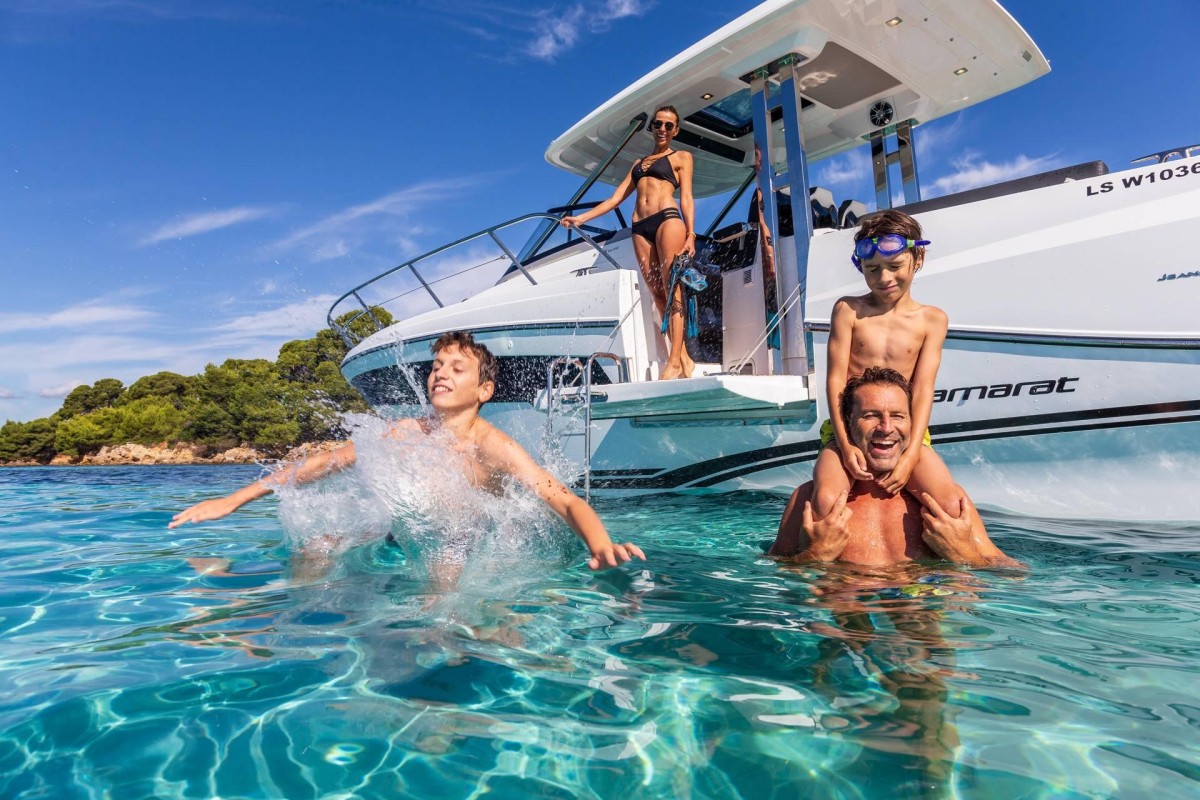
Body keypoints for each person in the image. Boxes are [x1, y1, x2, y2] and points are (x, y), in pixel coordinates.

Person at [170, 331, 645, 572]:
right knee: (317, 547)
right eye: (437, 366)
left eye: (457, 368)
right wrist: (233, 499)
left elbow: (560, 498)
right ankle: (294, 632)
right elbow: (323, 463)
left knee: (444, 577)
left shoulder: (494, 447)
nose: (441, 373)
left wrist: (600, 545)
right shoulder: (407, 431)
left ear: (484, 390)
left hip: (465, 538)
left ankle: (443, 684)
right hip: (405, 530)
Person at [810, 209, 980, 538]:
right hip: (848, 430)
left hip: (906, 434)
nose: (885, 278)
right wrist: (845, 446)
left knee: (949, 503)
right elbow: (834, 381)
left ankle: (945, 580)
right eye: (872, 270)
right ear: (861, 268)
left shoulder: (932, 320)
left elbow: (923, 389)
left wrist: (912, 453)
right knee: (827, 499)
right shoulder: (848, 310)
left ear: (918, 259)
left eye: (895, 266)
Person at [771, 367, 1019, 568]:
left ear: (914, 424)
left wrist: (964, 554)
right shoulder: (809, 499)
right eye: (870, 416)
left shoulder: (946, 502)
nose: (886, 427)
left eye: (898, 416)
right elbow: (772, 578)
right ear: (847, 424)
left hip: (922, 613)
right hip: (848, 620)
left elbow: (1013, 573)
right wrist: (815, 555)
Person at [560, 105, 697, 380]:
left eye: (669, 125)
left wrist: (691, 234)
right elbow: (614, 200)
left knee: (673, 290)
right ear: (652, 127)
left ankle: (673, 362)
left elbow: (687, 199)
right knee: (657, 293)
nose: (662, 129)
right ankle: (683, 358)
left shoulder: (682, 157)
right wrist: (581, 219)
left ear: (676, 130)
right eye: (658, 124)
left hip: (668, 219)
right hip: (639, 226)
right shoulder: (638, 164)